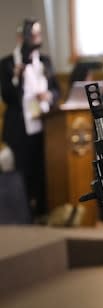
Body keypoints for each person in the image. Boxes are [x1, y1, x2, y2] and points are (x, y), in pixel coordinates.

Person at [0, 18, 60, 220]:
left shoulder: (45, 61)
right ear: (21, 37)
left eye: (38, 34)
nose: (37, 38)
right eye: (33, 34)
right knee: (23, 172)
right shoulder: (7, 63)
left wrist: (49, 95)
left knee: (43, 169)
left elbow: (56, 90)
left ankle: (44, 211)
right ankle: (24, 214)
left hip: (46, 124)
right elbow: (8, 97)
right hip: (20, 128)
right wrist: (17, 78)